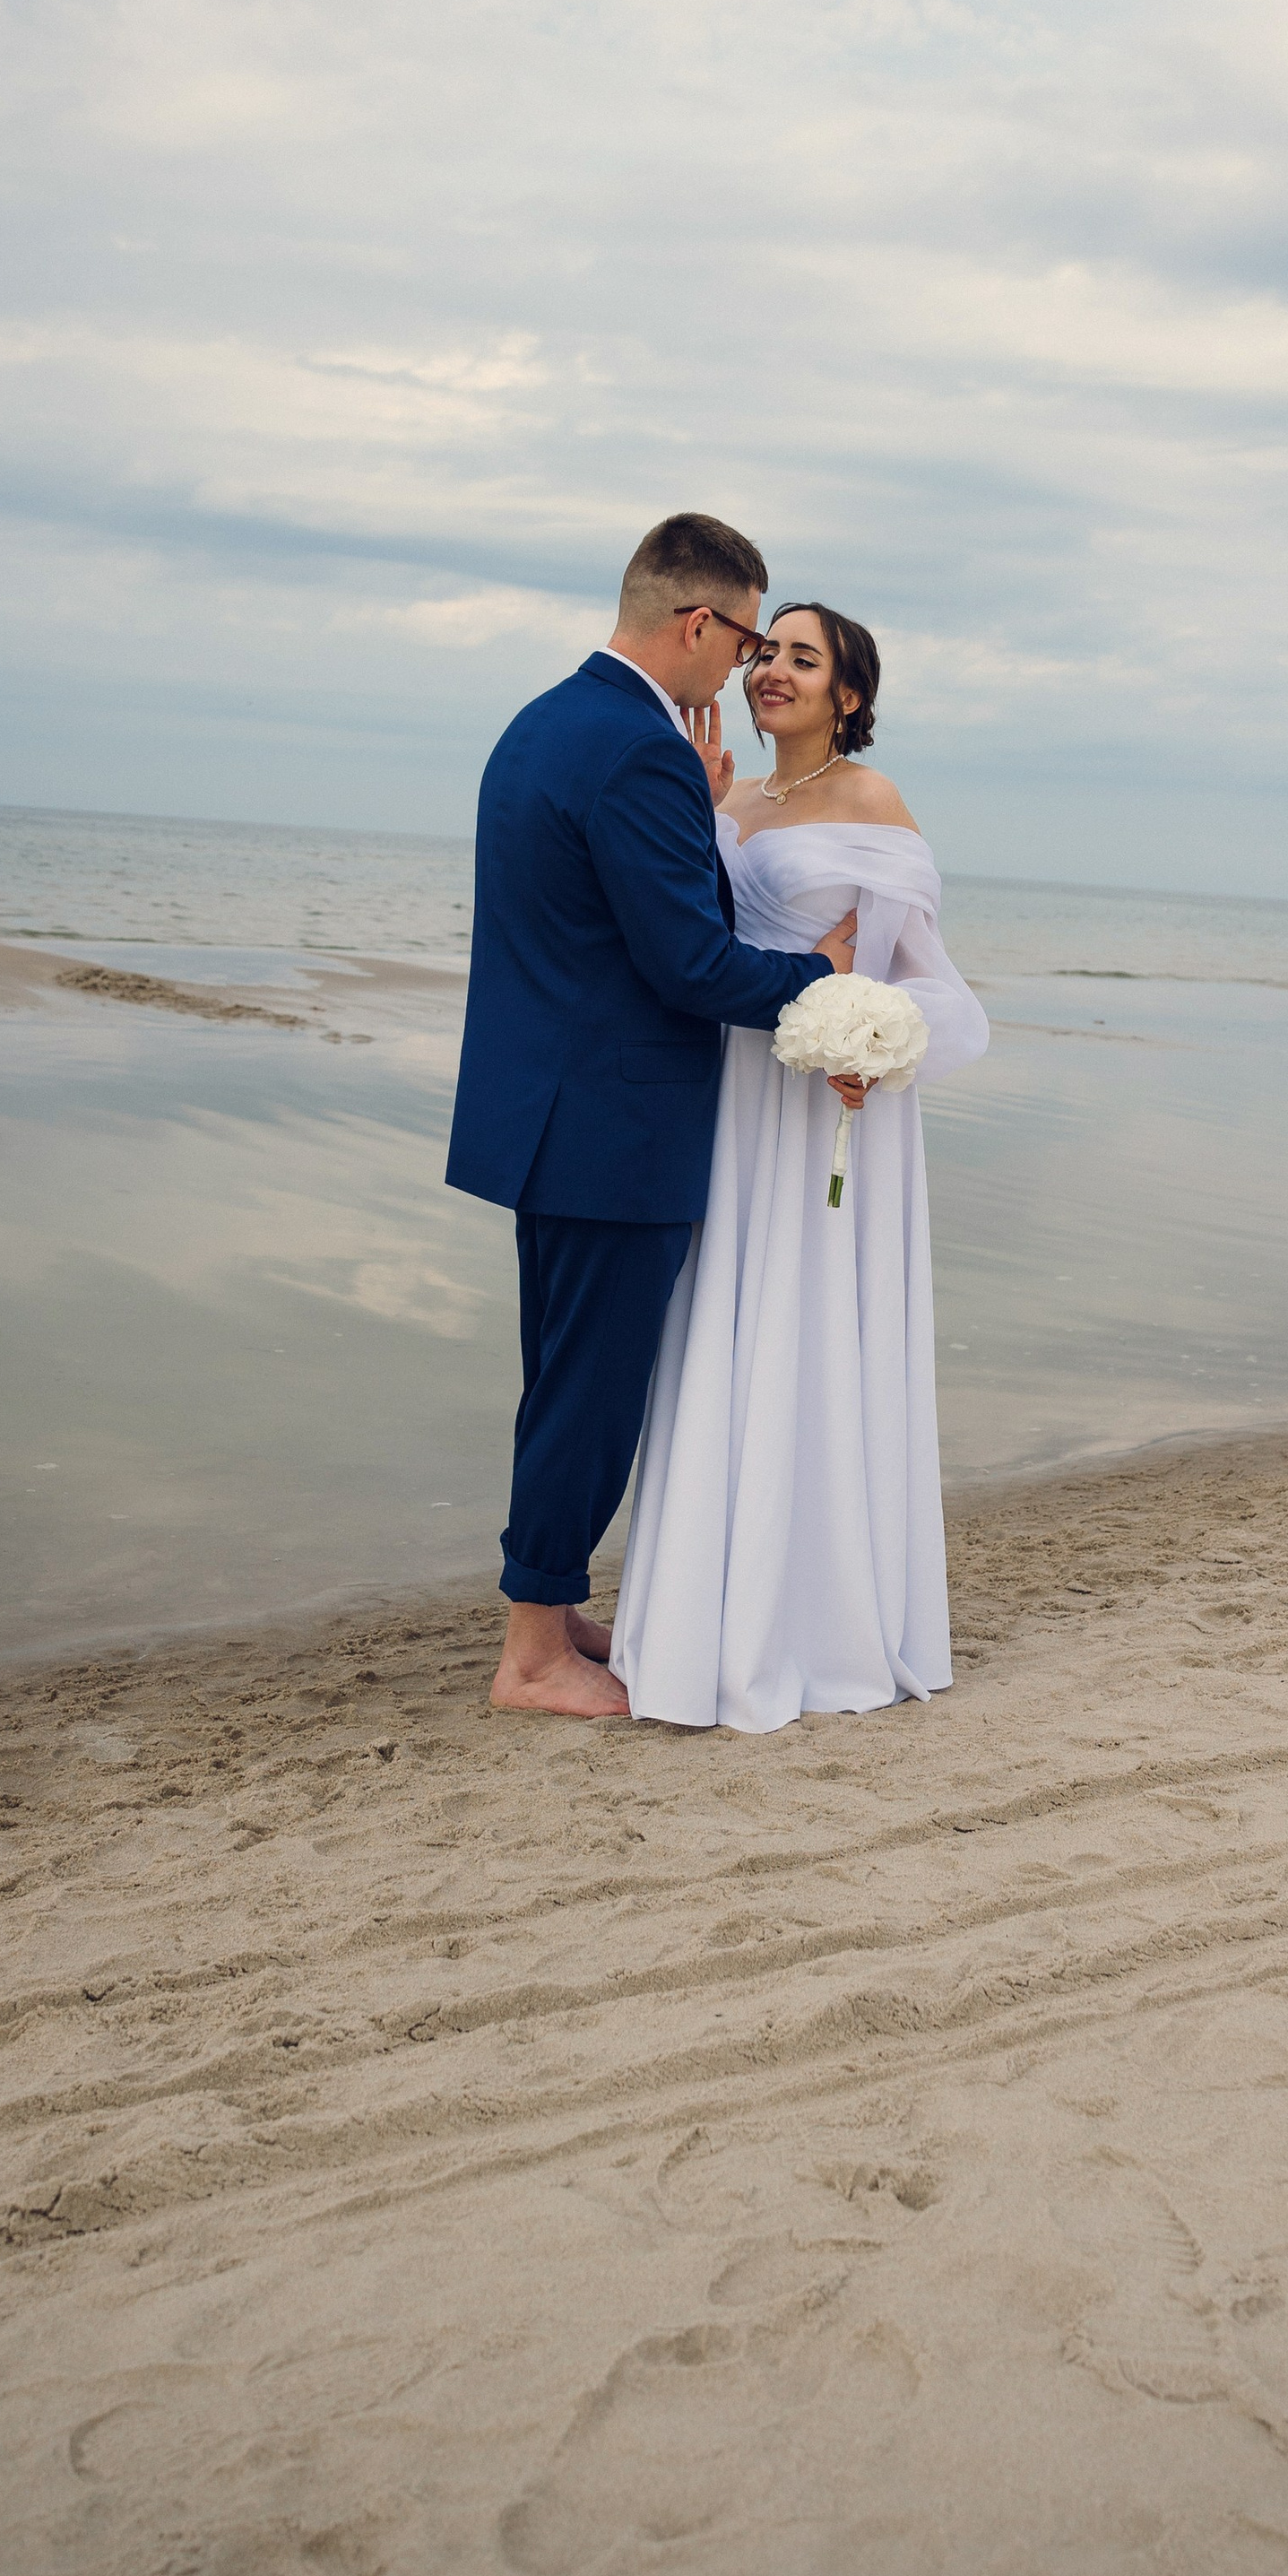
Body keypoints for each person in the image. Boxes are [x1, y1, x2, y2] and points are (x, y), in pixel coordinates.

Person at [445, 516, 859, 1719]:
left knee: (566, 1374)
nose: (745, 669)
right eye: (741, 642)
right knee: (595, 1387)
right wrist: (819, 979)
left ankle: (549, 1607)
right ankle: (531, 1660)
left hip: (548, 1114)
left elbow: (591, 928)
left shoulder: (546, 723)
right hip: (615, 1126)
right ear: (698, 624)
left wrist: (702, 807)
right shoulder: (636, 753)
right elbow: (686, 965)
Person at [611, 601, 989, 1730]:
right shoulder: (718, 791)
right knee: (719, 1326)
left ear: (848, 697)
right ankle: (700, 1613)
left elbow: (926, 983)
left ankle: (815, 1621)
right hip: (727, 1098)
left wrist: (867, 1043)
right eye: (766, 650)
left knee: (810, 1330)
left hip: (827, 1107)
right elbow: (691, 947)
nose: (772, 668)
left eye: (802, 658)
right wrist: (698, 795)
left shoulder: (873, 804)